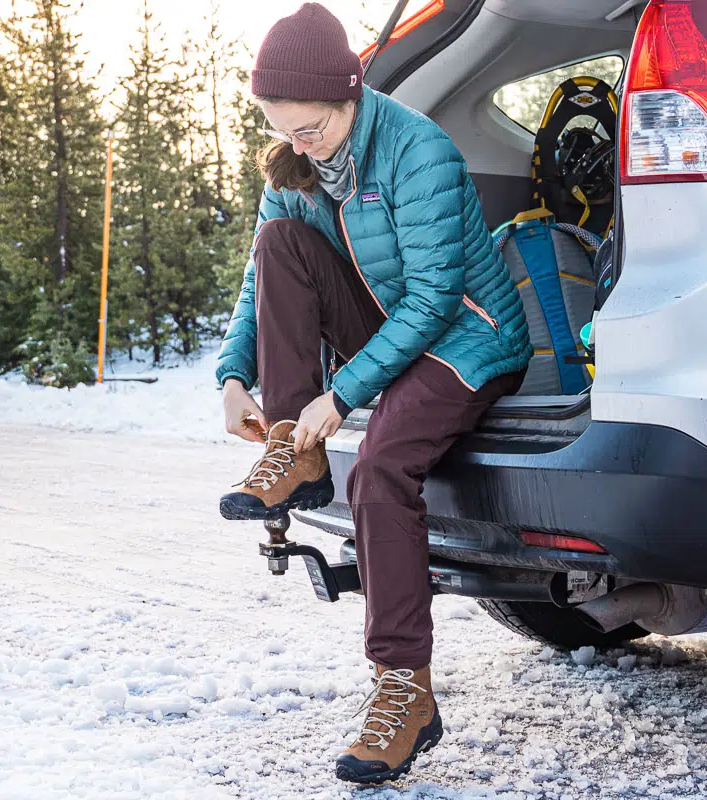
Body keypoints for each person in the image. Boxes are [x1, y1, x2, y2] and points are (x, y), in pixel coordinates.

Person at [215, 2, 532, 785]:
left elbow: (431, 298)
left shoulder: (416, 151)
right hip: (392, 329)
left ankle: (405, 694)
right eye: (282, 127)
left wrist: (344, 395)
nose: (298, 144)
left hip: (468, 338)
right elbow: (263, 283)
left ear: (348, 98)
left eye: (311, 128)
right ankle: (294, 451)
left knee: (384, 465)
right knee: (280, 239)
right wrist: (232, 376)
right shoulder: (295, 164)